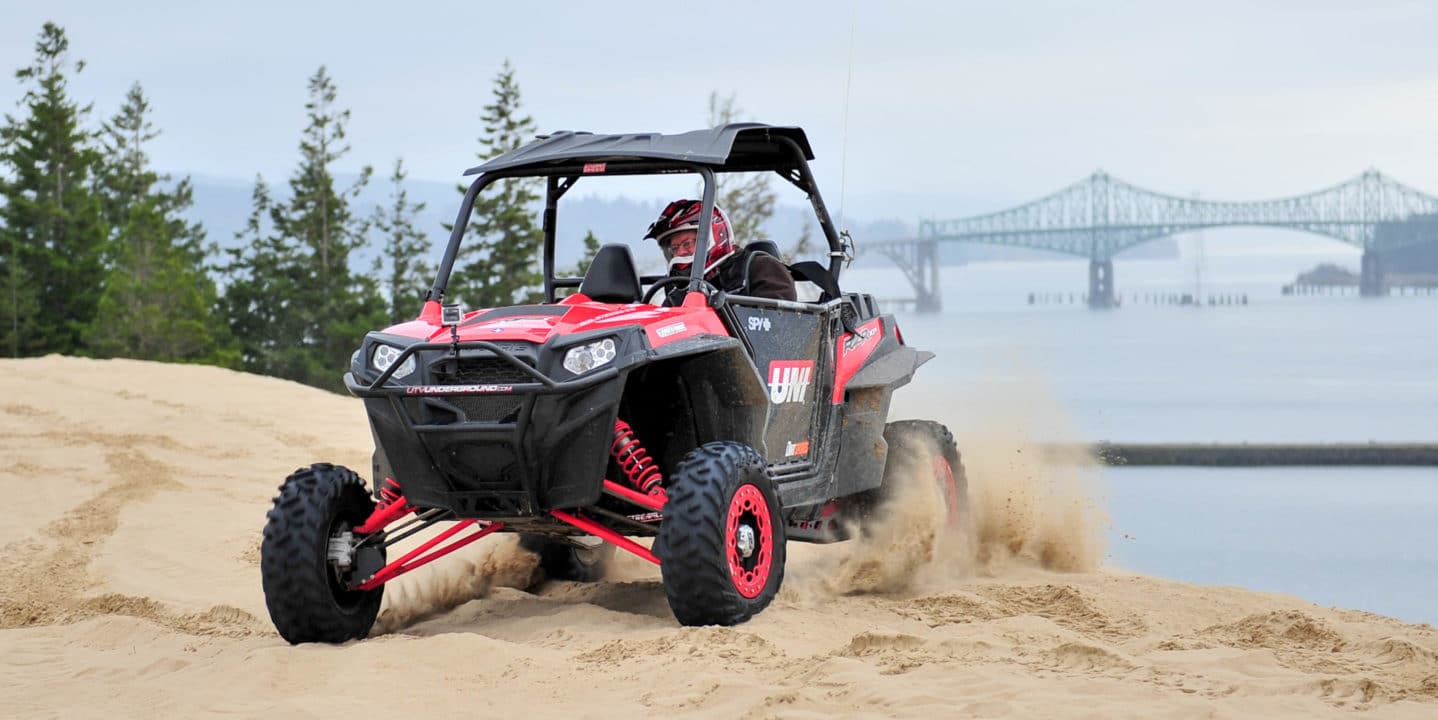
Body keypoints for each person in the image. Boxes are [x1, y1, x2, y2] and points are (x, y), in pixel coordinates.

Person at [643, 199, 797, 301]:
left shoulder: (761, 268)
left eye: (687, 244)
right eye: (675, 248)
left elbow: (779, 328)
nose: (680, 253)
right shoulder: (677, 286)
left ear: (715, 236)